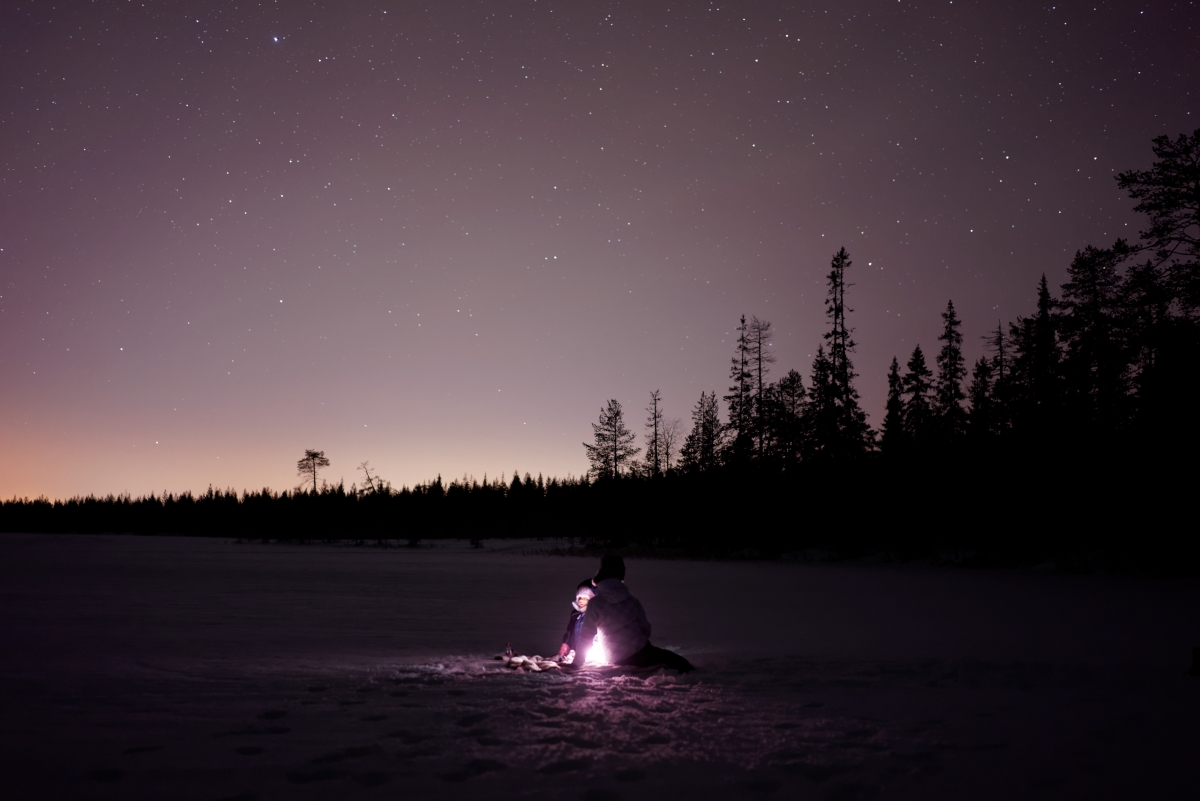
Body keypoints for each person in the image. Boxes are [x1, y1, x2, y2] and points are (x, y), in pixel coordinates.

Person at [577, 554, 694, 673]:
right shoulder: (631, 600)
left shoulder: (595, 603)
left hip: (615, 658)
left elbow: (586, 635)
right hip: (640, 651)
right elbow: (646, 629)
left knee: (668, 660)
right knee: (678, 662)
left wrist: (577, 662)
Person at [557, 580, 595, 661]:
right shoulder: (575, 614)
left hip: (592, 651)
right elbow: (570, 631)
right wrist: (565, 645)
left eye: (585, 598)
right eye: (579, 598)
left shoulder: (595, 614)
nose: (581, 600)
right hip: (576, 652)